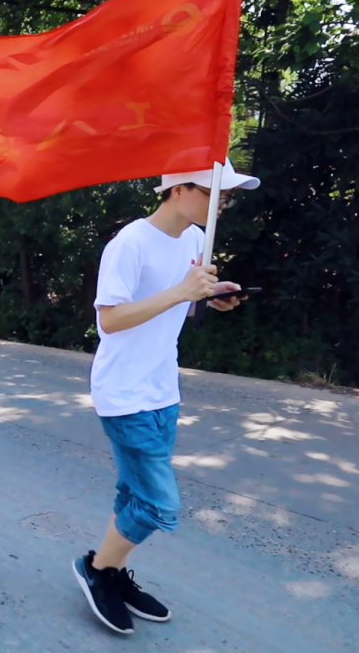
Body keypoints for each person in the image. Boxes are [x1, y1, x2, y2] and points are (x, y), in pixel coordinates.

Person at [72, 160, 259, 636]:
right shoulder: (130, 242)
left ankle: (111, 573)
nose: (223, 204)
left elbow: (183, 298)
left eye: (229, 196)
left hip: (162, 388)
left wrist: (213, 295)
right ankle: (96, 570)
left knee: (134, 491)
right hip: (124, 392)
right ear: (180, 189)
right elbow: (110, 320)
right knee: (159, 505)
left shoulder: (196, 239)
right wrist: (181, 291)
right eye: (219, 193)